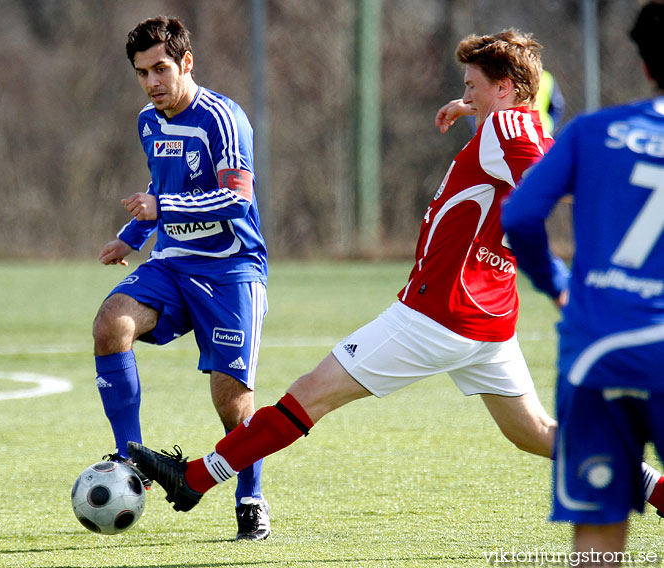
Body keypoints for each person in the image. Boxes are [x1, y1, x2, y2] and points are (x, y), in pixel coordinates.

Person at [127, 28, 664, 525]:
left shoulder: (504, 127)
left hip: (437, 316)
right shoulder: (515, 121)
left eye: (472, 84)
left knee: (307, 396)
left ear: (503, 88)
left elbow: (552, 177)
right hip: (490, 320)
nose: (465, 92)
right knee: (537, 434)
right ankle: (658, 490)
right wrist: (470, 107)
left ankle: (195, 478)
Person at [92, 16, 270, 541]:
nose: (151, 82)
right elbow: (161, 182)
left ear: (186, 63)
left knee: (231, 401)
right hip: (172, 263)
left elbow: (236, 198)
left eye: (161, 69)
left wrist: (158, 208)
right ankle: (131, 460)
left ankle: (251, 498)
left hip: (232, 268)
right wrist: (132, 235)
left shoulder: (224, 118)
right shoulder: (149, 121)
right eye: (142, 72)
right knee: (110, 324)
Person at [502, 2, 664, 564]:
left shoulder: (594, 131)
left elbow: (520, 216)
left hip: (596, 347)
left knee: (597, 535)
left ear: (645, 64)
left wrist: (555, 283)